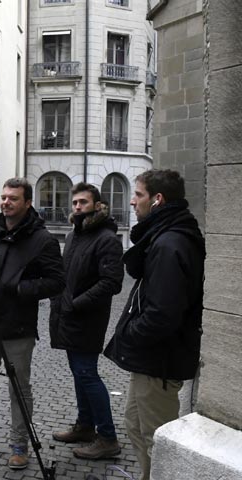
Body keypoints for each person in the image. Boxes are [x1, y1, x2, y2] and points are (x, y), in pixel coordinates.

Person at [0, 177, 65, 470]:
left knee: (19, 388)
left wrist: (21, 288)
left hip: (17, 326)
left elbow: (57, 282)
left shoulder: (43, 240)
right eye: (4, 197)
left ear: (27, 203)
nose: (6, 202)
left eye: (13, 198)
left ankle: (20, 444)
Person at [104, 169, 204, 480]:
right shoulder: (163, 237)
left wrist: (130, 334)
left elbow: (162, 314)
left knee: (156, 437)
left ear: (157, 199)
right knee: (136, 426)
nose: (132, 202)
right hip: (150, 361)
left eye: (138, 195)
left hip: (160, 362)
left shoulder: (170, 244)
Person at [49, 182, 124, 459]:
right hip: (69, 317)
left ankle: (107, 438)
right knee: (80, 374)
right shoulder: (73, 236)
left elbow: (112, 282)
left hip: (87, 319)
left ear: (97, 205)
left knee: (87, 375)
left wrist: (77, 303)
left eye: (83, 202)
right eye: (75, 202)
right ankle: (84, 426)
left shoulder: (106, 239)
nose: (78, 207)